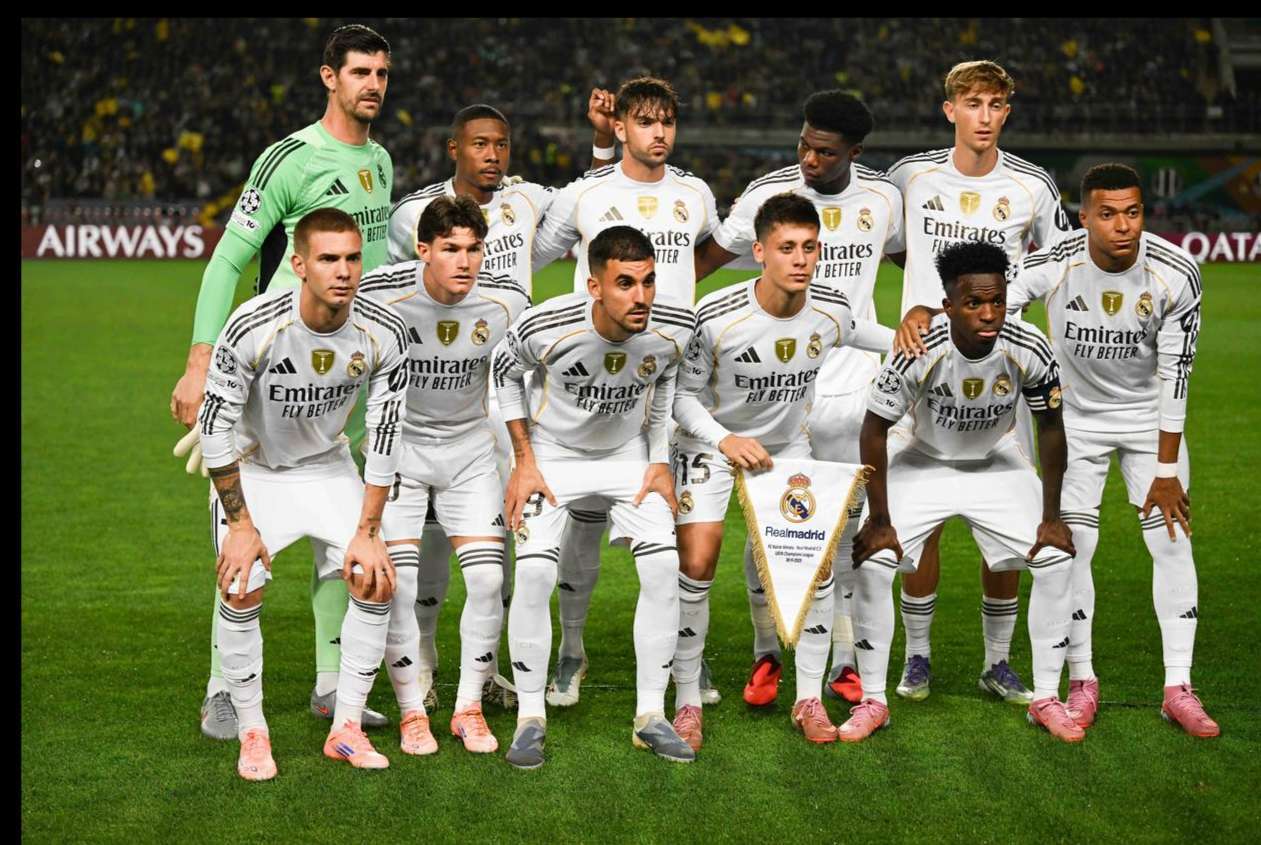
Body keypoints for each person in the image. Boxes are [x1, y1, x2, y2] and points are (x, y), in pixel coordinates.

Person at [896, 163, 1217, 736]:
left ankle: (1178, 687)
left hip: (1148, 424)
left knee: (1172, 542)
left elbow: (1177, 376)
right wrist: (930, 312)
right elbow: (989, 308)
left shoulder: (1176, 272)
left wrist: (1167, 469)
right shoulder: (1053, 260)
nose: (1124, 226)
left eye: (1133, 212)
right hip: (1074, 424)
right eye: (1108, 214)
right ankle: (1081, 681)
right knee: (1073, 550)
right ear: (1084, 217)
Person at [172, 24, 397, 740]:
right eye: (359, 71)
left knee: (343, 544)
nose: (373, 84)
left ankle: (332, 684)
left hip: (341, 373)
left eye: (381, 73)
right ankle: (223, 689)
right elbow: (227, 260)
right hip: (269, 374)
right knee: (244, 547)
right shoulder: (290, 159)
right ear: (329, 76)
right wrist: (201, 361)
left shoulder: (381, 160)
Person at [382, 99, 614, 711]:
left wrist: (601, 144)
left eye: (502, 145)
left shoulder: (527, 202)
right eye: (480, 144)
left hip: (511, 389)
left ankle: (484, 671)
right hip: (439, 389)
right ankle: (424, 658)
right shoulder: (413, 214)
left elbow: (592, 204)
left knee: (502, 536)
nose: (493, 155)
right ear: (454, 148)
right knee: (431, 534)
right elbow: (390, 294)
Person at [692, 90, 904, 706]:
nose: (809, 159)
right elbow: (707, 261)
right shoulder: (768, 194)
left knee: (841, 534)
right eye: (804, 145)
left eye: (825, 152)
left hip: (853, 385)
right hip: (774, 389)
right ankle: (767, 650)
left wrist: (925, 319)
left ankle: (843, 658)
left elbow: (905, 259)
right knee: (772, 528)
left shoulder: (883, 198)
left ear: (854, 153)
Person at [670, 193, 894, 751]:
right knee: (697, 563)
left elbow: (876, 335)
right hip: (710, 444)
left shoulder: (831, 310)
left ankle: (807, 699)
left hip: (787, 448)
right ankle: (687, 703)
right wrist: (725, 439)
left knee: (817, 565)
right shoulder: (717, 315)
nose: (799, 259)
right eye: (786, 247)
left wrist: (923, 330)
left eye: (809, 248)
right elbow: (681, 397)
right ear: (760, 252)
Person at [883, 59, 1074, 703]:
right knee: (921, 522)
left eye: (995, 105)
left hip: (1003, 371)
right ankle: (917, 657)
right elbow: (887, 241)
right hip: (923, 366)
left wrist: (1016, 307)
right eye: (972, 104)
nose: (984, 117)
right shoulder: (910, 177)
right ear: (950, 111)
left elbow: (1059, 257)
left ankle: (998, 662)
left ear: (1007, 112)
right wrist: (923, 303)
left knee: (1007, 526)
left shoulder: (1033, 185)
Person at [197, 208, 409, 779]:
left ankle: (346, 729)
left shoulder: (384, 331)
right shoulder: (253, 324)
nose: (344, 271)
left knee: (375, 577)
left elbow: (386, 433)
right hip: (255, 469)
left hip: (327, 468)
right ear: (299, 265)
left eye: (352, 258)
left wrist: (369, 531)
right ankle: (252, 732)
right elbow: (215, 428)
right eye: (328, 259)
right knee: (240, 584)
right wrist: (241, 527)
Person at [531, 76, 720, 709]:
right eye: (645, 121)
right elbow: (540, 255)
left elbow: (708, 252)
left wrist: (677, 315)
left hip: (670, 382)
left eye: (668, 121)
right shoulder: (586, 193)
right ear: (620, 127)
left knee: (684, 525)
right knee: (582, 528)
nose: (659, 132)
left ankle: (687, 655)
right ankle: (571, 650)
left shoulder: (694, 193)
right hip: (596, 389)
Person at [848, 240, 1080, 743]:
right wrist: (880, 519)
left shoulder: (1029, 344)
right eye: (973, 303)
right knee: (873, 560)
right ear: (948, 306)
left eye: (996, 301)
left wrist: (1052, 516)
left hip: (994, 461)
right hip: (923, 459)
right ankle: (874, 699)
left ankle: (1045, 696)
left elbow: (1051, 427)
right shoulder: (920, 347)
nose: (988, 313)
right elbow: (873, 429)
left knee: (1056, 559)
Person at [492, 226, 697, 768]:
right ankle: (530, 719)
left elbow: (666, 378)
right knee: (535, 571)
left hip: (627, 455)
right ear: (594, 286)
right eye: (625, 283)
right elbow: (503, 374)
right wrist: (524, 460)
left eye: (648, 281)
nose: (641, 296)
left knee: (663, 567)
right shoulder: (546, 325)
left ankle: (651, 715)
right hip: (552, 455)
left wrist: (658, 458)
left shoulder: (676, 326)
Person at [356, 195, 532, 756]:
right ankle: (413, 712)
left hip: (469, 452)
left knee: (487, 581)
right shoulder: (380, 293)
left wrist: (526, 457)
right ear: (423, 250)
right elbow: (314, 321)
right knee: (400, 585)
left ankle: (468, 709)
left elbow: (528, 371)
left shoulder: (507, 300)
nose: (464, 261)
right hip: (399, 452)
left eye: (474, 249)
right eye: (451, 249)